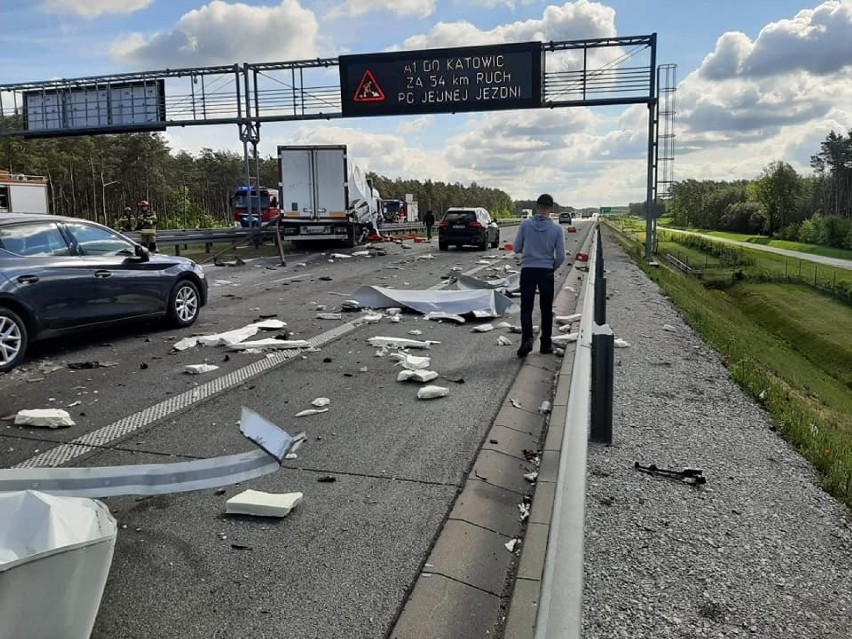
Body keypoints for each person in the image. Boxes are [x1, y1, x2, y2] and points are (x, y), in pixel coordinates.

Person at [513, 193, 566, 357]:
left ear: (538, 207)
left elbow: (516, 248)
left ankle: (526, 340)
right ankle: (545, 343)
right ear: (551, 209)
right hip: (546, 272)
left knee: (526, 308)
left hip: (528, 270)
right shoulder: (557, 229)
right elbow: (561, 256)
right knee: (546, 309)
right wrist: (552, 268)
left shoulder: (525, 225)